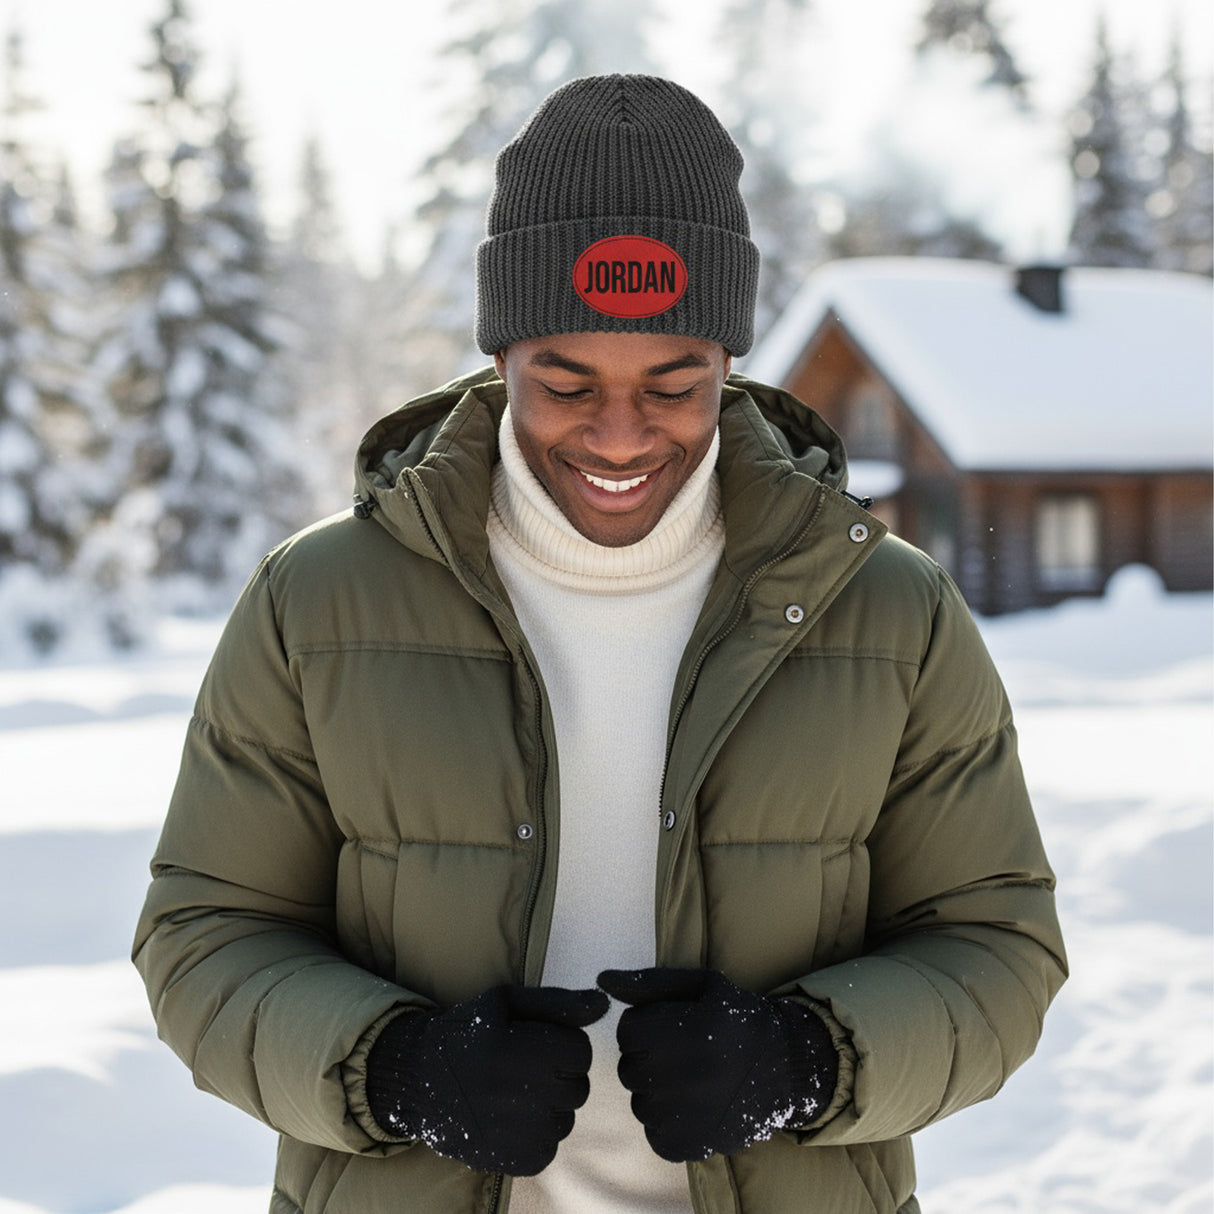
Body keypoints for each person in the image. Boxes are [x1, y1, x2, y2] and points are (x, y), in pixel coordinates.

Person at [133, 74, 1067, 1214]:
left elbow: (996, 944)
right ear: (500, 360)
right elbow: (205, 933)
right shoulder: (319, 601)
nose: (619, 436)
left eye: (673, 385)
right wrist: (393, 1071)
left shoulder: (888, 611)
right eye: (565, 383)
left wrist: (808, 1061)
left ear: (726, 365)